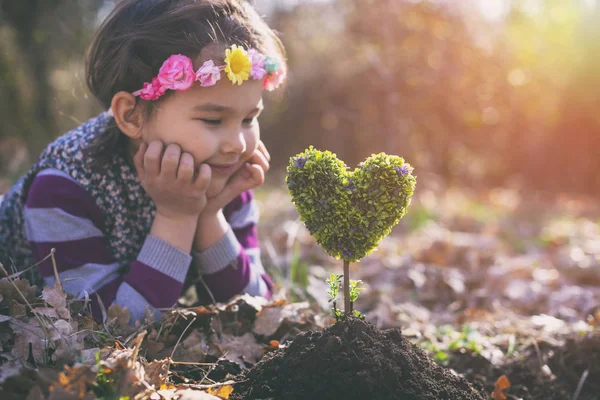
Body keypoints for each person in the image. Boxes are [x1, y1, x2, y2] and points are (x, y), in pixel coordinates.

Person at [0, 0, 287, 324]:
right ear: (131, 115)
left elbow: (254, 308)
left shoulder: (226, 173)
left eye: (249, 118)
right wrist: (177, 216)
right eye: (212, 120)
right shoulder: (64, 189)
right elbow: (103, 328)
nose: (237, 144)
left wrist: (209, 214)